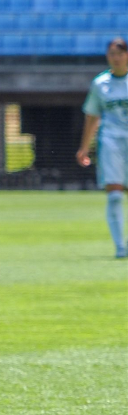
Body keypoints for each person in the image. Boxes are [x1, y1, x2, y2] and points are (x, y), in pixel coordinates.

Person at [76, 36, 128, 259]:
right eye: (111, 54)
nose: (115, 58)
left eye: (119, 53)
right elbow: (92, 116)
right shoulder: (100, 83)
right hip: (110, 141)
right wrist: (84, 147)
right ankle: (120, 247)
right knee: (115, 195)